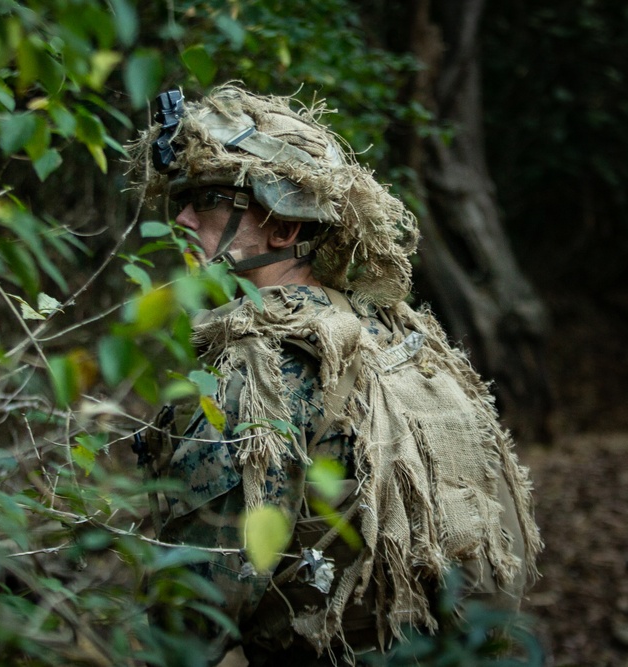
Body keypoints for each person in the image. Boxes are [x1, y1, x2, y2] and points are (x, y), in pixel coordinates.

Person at [128, 85, 541, 665]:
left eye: (210, 198)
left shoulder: (257, 375)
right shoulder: (396, 334)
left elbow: (190, 625)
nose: (183, 219)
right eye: (181, 199)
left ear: (284, 227)